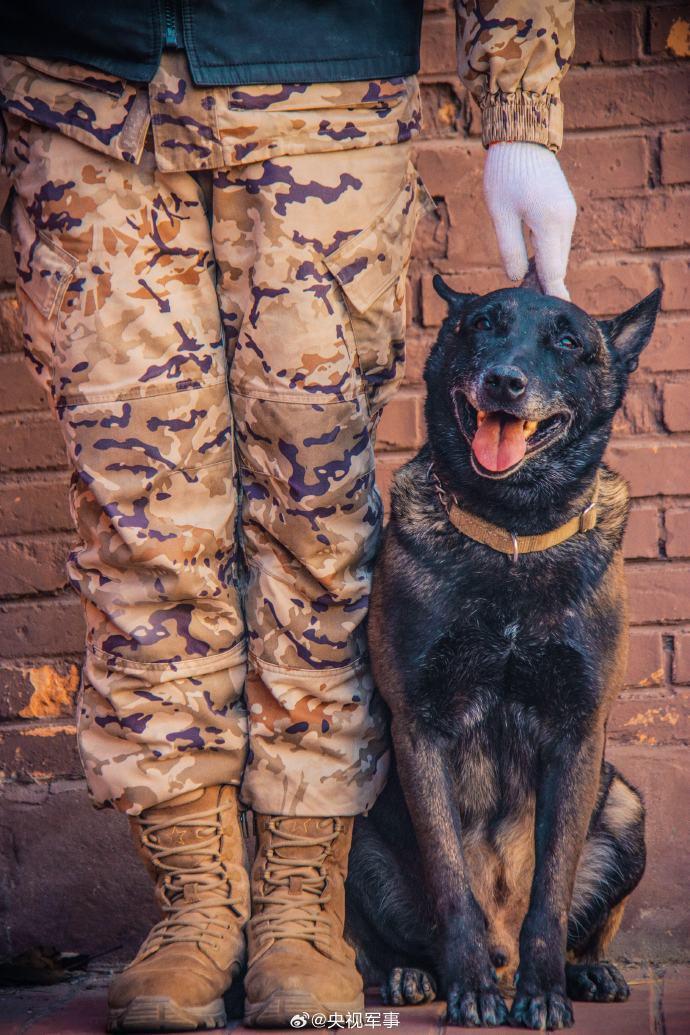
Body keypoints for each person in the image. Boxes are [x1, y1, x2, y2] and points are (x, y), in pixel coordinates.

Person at [0, 2, 577, 1030]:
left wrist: (520, 108)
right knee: (139, 524)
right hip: (73, 90)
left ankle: (302, 908)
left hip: (320, 88)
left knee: (318, 526)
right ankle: (194, 909)